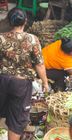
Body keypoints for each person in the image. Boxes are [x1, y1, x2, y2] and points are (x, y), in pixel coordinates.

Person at [0, 8, 49, 140]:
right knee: (16, 120)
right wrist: (45, 82)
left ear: (9, 22)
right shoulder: (33, 40)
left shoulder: (1, 38)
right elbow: (39, 64)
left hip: (2, 81)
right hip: (21, 84)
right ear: (25, 21)